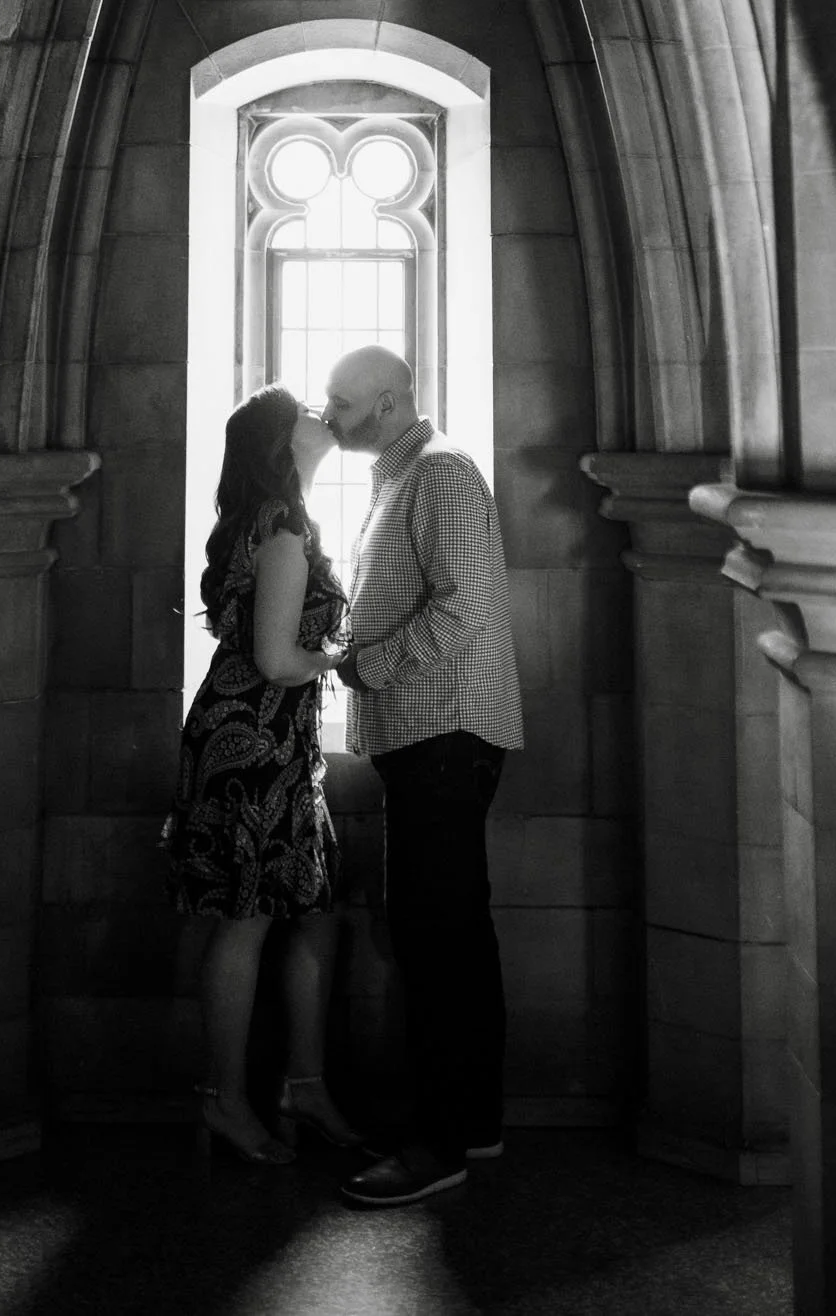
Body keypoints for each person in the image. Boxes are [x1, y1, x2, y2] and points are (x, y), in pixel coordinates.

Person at [322, 345, 524, 1207]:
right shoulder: (403, 476)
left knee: (435, 943)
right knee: (451, 941)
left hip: (445, 737)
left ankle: (435, 1145)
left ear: (391, 402)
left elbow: (465, 604)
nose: (330, 418)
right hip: (431, 740)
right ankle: (470, 1126)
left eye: (342, 403)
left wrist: (371, 665)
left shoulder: (439, 474)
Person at [162, 383, 364, 1164]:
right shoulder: (280, 530)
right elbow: (280, 660)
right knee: (245, 919)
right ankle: (223, 1099)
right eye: (309, 413)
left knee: (312, 909)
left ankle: (303, 1086)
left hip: (274, 742)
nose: (324, 416)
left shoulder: (279, 521)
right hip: (250, 744)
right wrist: (347, 658)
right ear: (283, 444)